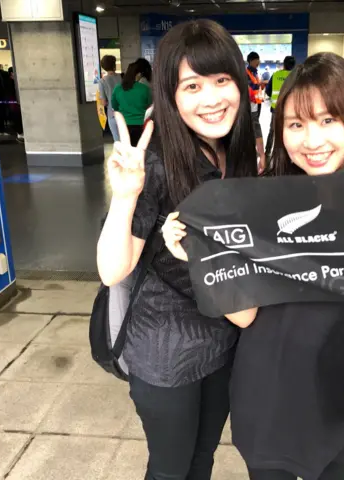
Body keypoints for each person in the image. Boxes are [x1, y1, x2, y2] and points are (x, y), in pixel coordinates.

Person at [162, 52, 344, 480]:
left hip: (337, 399)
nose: (312, 141)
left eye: (329, 121)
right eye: (296, 124)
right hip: (268, 394)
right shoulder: (258, 207)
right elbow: (244, 314)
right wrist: (196, 255)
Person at [97, 19, 257, 480]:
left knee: (202, 460)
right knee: (170, 469)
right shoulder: (159, 161)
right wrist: (125, 196)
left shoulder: (238, 152)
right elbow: (113, 269)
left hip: (224, 338)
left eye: (221, 80)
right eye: (192, 85)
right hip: (165, 350)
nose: (211, 98)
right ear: (171, 96)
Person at [111, 61, 152, 146]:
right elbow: (149, 104)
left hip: (124, 125)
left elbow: (114, 106)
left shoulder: (118, 88)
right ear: (138, 74)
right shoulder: (144, 88)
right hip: (141, 124)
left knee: (127, 149)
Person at [265, 56, 296, 158]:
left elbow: (268, 91)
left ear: (284, 64)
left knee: (272, 130)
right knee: (288, 130)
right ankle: (285, 153)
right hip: (290, 110)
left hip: (276, 108)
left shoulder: (276, 75)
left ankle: (268, 152)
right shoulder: (295, 76)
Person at [247, 51, 266, 170]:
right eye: (256, 60)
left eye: (258, 59)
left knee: (253, 128)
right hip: (250, 106)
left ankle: (254, 150)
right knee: (256, 129)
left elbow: (256, 86)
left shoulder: (255, 72)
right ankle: (262, 155)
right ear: (251, 61)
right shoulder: (246, 72)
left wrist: (261, 85)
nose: (258, 62)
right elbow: (249, 87)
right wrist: (260, 84)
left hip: (256, 104)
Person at [98, 55, 122, 141]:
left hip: (112, 113)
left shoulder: (102, 81)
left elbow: (104, 102)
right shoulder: (122, 77)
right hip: (125, 112)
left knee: (117, 140)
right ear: (114, 65)